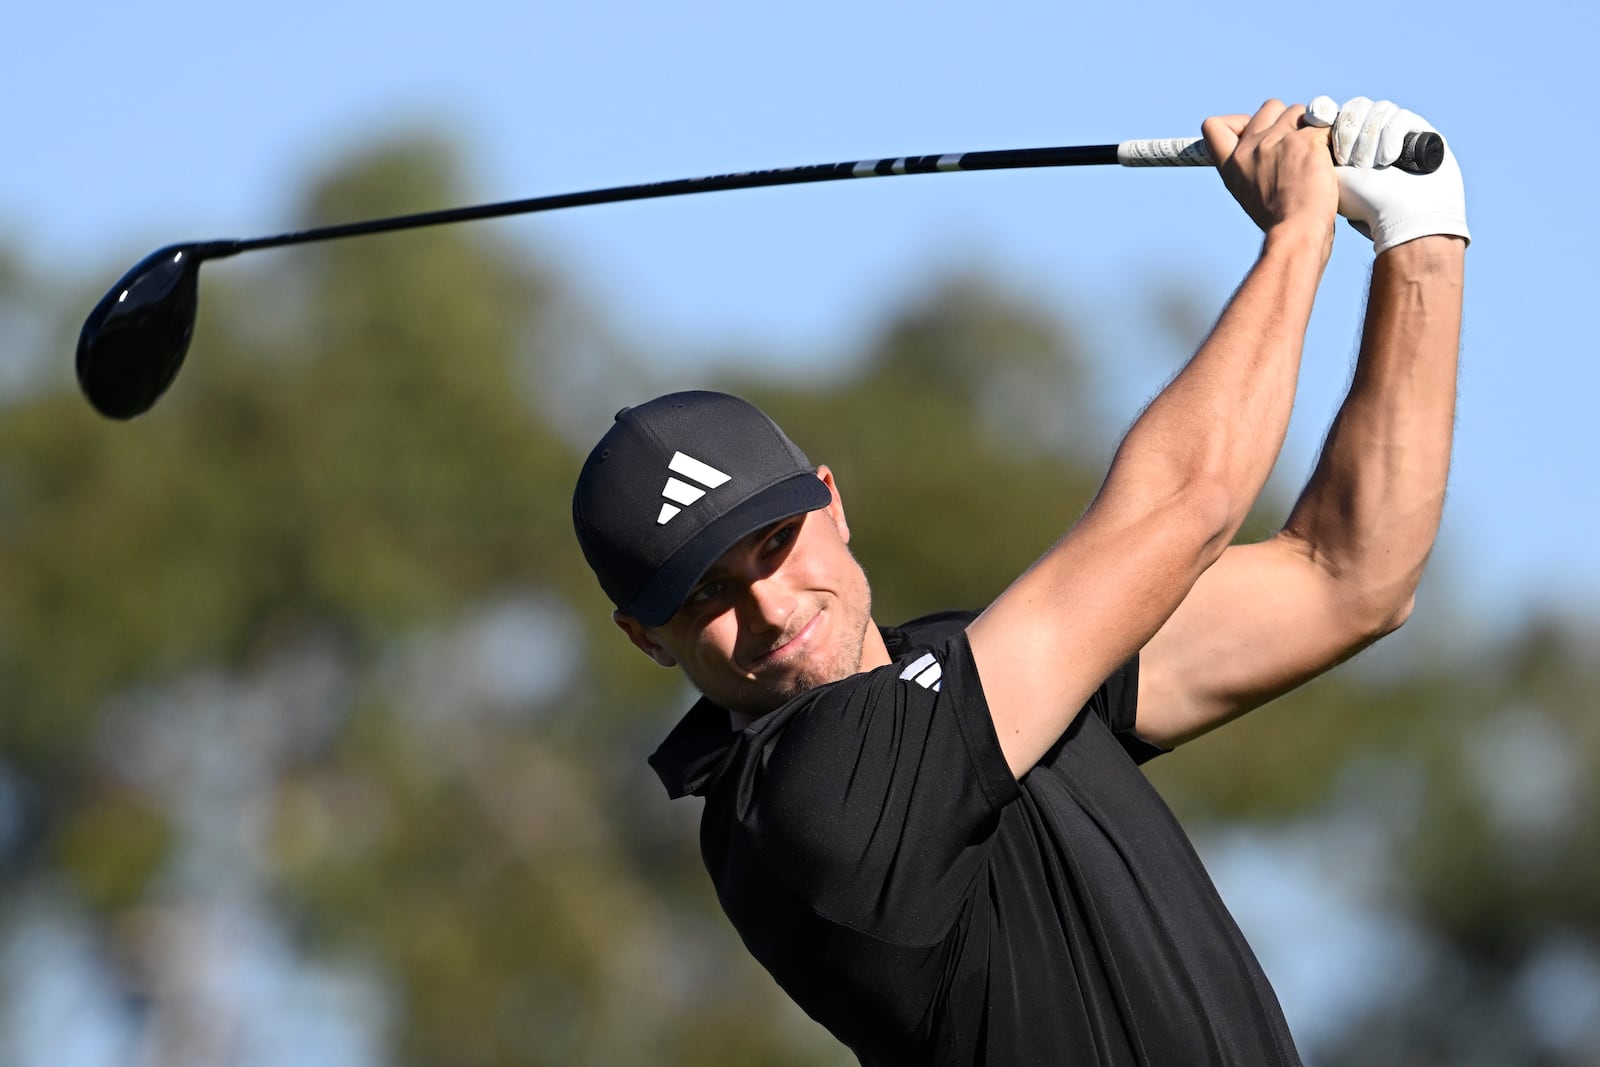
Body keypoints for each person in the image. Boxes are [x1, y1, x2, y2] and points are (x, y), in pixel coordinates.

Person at [571, 95, 1468, 1065]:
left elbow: (1347, 574)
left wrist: (1418, 237)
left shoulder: (959, 664)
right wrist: (1297, 236)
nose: (770, 606)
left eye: (773, 543)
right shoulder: (800, 799)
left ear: (830, 504)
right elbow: (1184, 505)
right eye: (704, 595)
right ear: (644, 636)